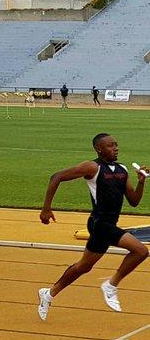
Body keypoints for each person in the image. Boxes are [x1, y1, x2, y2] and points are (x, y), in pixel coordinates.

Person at [38, 133, 149, 321]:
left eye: (116, 145)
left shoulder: (122, 170)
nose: (116, 148)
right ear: (99, 149)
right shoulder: (92, 167)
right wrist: (46, 209)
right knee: (140, 251)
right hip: (99, 223)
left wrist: (141, 182)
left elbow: (134, 202)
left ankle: (48, 294)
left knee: (84, 266)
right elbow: (56, 177)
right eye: (110, 145)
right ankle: (111, 285)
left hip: (108, 225)